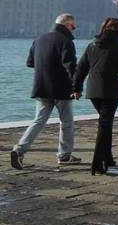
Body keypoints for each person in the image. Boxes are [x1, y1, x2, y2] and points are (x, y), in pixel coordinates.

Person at [73, 18, 118, 175]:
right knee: (104, 125)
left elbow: (81, 69)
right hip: (111, 91)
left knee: (106, 123)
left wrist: (77, 88)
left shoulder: (92, 45)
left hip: (93, 91)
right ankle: (97, 163)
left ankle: (108, 158)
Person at [11, 14, 82, 169]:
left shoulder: (39, 39)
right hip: (62, 89)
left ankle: (19, 149)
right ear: (66, 25)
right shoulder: (66, 41)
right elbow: (70, 67)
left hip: (41, 87)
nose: (74, 29)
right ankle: (64, 155)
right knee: (67, 122)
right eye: (73, 26)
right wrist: (77, 88)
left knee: (38, 120)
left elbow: (30, 63)